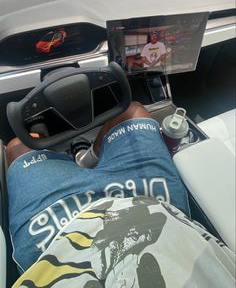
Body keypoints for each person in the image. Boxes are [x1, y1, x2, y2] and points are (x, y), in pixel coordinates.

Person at [6, 102, 236, 287]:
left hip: (57, 237)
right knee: (130, 112)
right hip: (159, 210)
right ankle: (87, 160)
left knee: (19, 147)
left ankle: (78, 162)